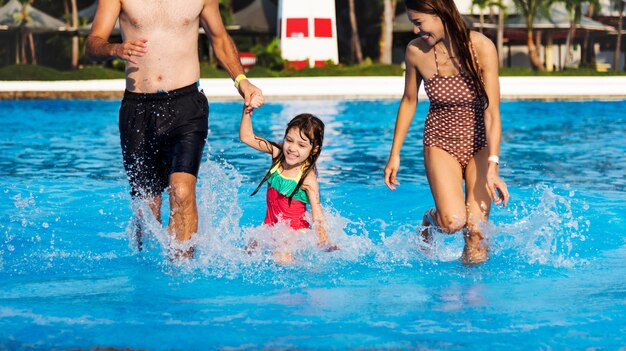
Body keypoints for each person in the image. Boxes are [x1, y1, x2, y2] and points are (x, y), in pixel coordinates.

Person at [85, 0, 264, 258]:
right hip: (138, 108)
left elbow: (220, 37)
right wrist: (115, 48)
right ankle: (145, 270)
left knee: (181, 191)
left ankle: (182, 271)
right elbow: (93, 41)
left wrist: (242, 81)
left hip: (187, 105)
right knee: (147, 208)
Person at [383, 0, 510, 265]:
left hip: (479, 144)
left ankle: (471, 298)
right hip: (440, 142)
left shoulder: (482, 48)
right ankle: (430, 220)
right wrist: (395, 154)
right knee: (453, 222)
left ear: (440, 14)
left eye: (419, 22)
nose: (417, 30)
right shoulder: (416, 52)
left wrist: (493, 165)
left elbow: (492, 112)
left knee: (475, 233)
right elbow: (409, 100)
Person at [239, 106, 338, 263]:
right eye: (289, 140)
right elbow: (247, 137)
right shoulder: (277, 154)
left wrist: (324, 239)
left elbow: (317, 214)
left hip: (296, 231)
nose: (292, 148)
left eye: (301, 145)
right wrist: (247, 111)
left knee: (281, 255)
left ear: (314, 149)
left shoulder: (307, 178)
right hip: (270, 227)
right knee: (246, 253)